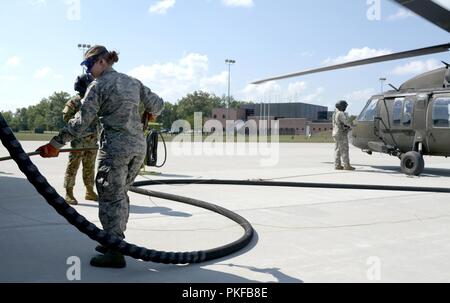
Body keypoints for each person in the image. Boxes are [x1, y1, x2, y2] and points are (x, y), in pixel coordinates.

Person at [37, 45, 164, 268]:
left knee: (110, 196)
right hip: (137, 148)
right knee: (120, 193)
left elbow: (81, 121)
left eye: (89, 65)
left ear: (103, 62)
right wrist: (149, 112)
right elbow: (158, 104)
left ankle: (115, 251)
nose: (88, 71)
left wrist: (56, 144)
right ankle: (112, 240)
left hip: (115, 149)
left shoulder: (98, 86)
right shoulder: (133, 81)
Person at [63, 74, 98, 205]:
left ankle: (89, 191)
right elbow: (66, 117)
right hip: (78, 141)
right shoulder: (75, 101)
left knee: (90, 167)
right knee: (73, 167)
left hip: (92, 141)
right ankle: (69, 192)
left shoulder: (94, 100)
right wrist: (78, 127)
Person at [332, 100, 355, 171]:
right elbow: (346, 122)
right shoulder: (341, 113)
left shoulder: (334, 114)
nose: (345, 107)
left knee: (337, 149)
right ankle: (346, 165)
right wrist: (351, 126)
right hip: (341, 133)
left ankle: (337, 165)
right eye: (345, 106)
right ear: (342, 106)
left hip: (335, 133)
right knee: (344, 149)